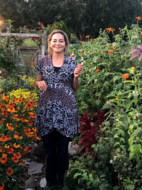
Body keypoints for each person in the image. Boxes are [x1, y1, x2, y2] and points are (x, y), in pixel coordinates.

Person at [34, 30, 82, 189]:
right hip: (46, 109)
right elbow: (38, 82)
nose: (57, 43)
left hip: (66, 110)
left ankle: (61, 183)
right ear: (49, 43)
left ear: (65, 44)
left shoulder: (72, 63)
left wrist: (75, 76)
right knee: (49, 150)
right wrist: (39, 84)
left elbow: (75, 88)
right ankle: (50, 182)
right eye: (54, 40)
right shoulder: (42, 61)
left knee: (62, 149)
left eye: (61, 41)